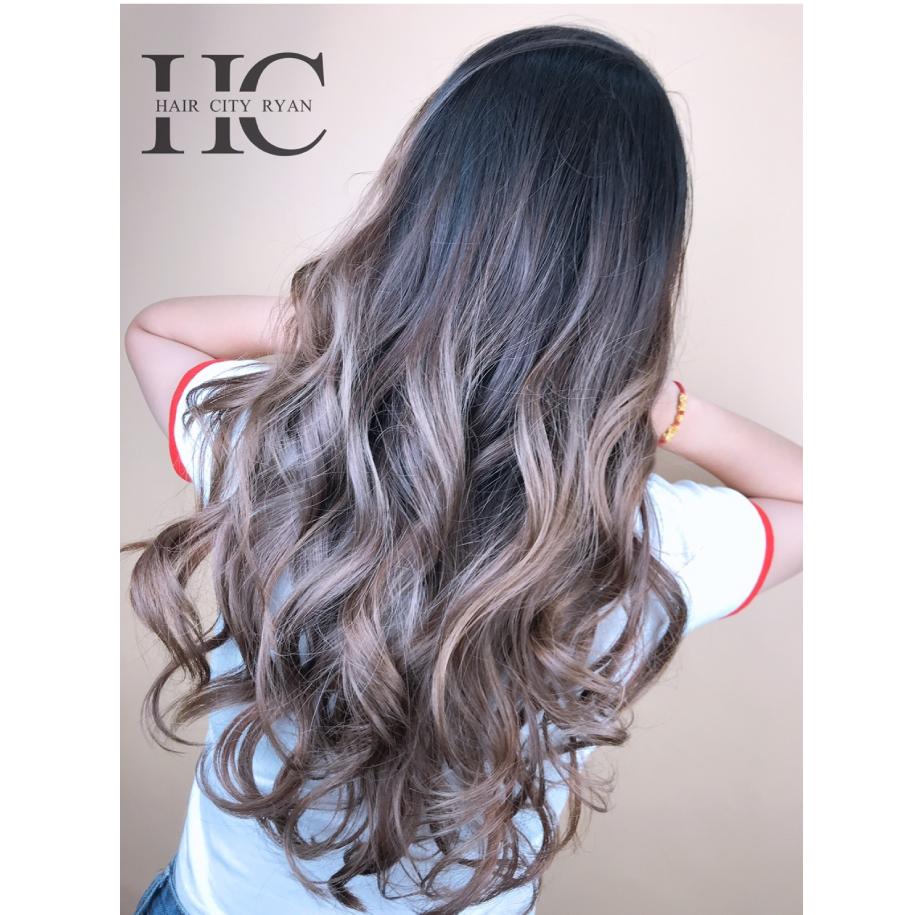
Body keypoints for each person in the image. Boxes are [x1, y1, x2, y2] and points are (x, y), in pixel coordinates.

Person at [124, 25, 802, 915]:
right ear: (636, 280)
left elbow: (156, 331)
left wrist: (364, 320)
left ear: (420, 212)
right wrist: (660, 404)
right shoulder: (640, 544)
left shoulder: (271, 444)